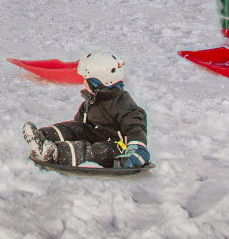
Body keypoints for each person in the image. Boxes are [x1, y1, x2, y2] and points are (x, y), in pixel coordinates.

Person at [22, 53, 151, 169]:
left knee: (95, 151)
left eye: (86, 80)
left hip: (117, 148)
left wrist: (137, 150)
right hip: (95, 136)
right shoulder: (92, 100)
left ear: (98, 82)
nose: (83, 82)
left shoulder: (124, 104)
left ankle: (57, 153)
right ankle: (41, 137)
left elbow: (135, 127)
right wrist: (74, 132)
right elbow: (78, 127)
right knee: (75, 128)